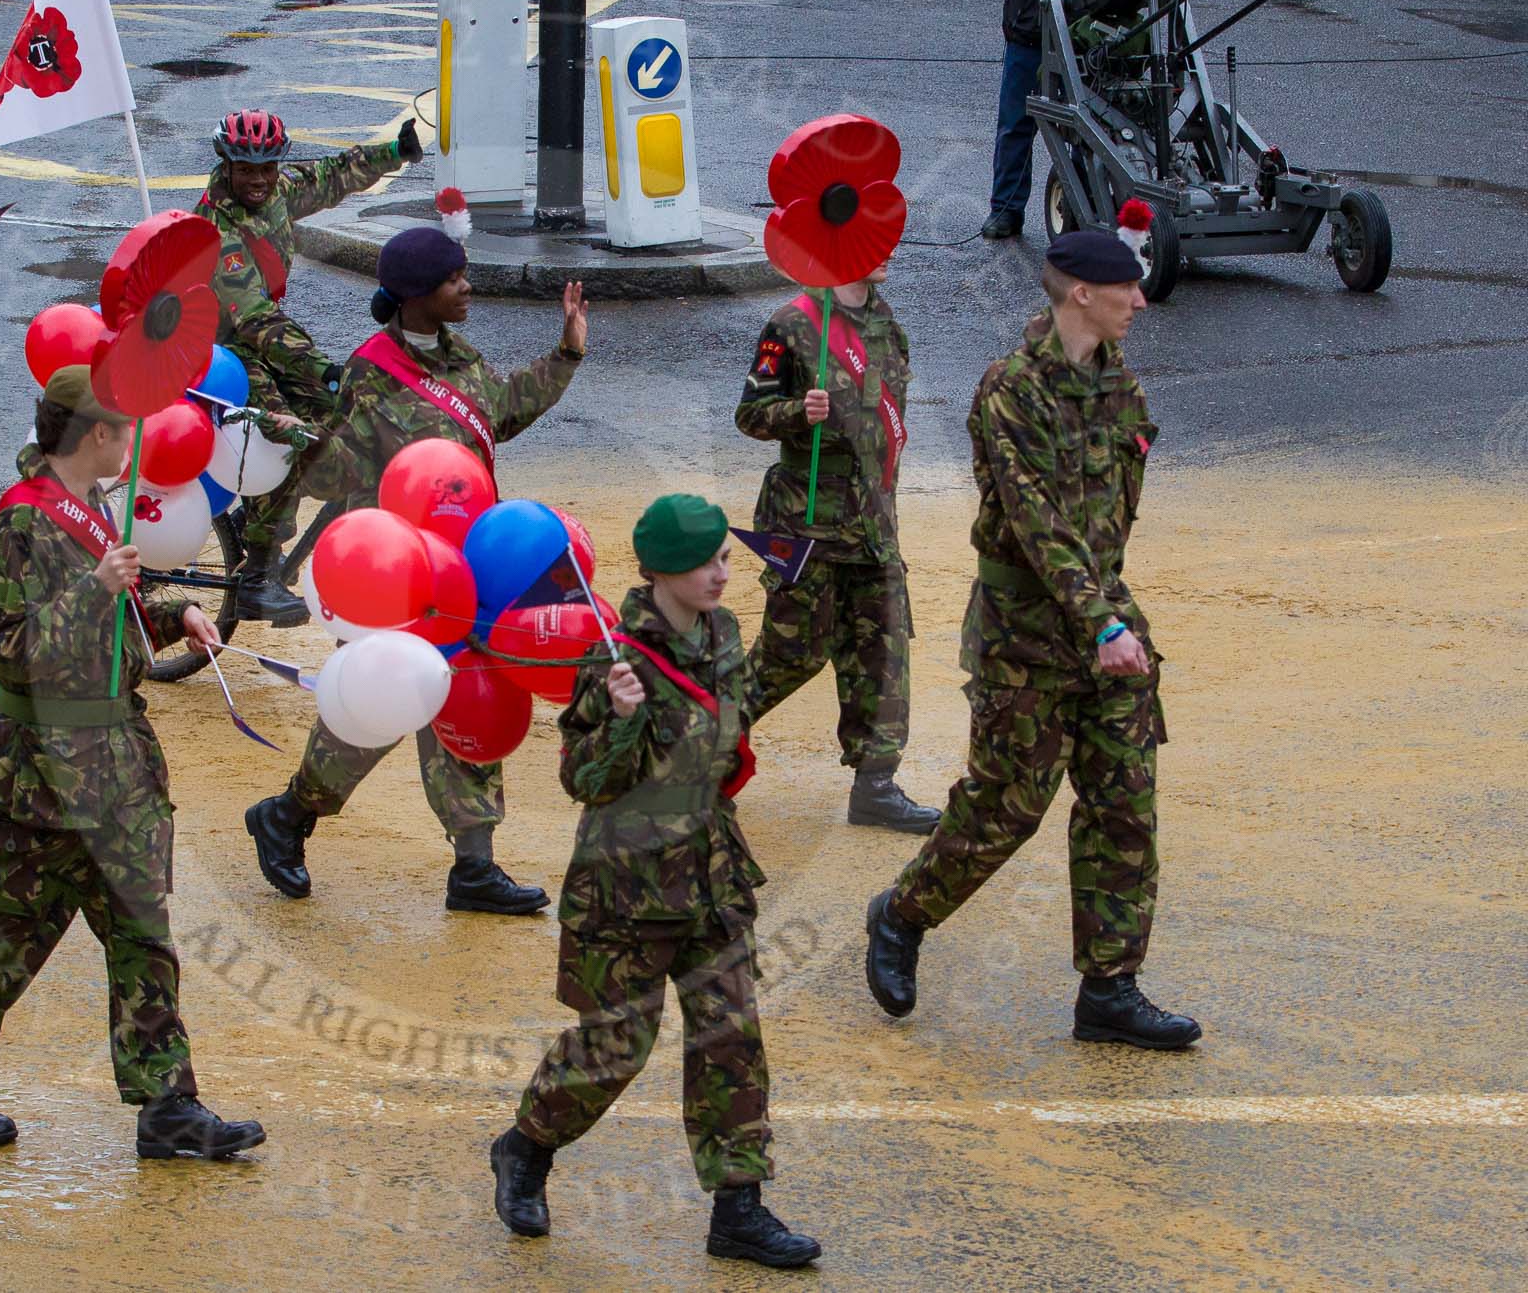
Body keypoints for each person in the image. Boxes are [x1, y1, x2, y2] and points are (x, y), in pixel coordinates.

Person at [0, 367, 265, 1158]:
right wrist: (96, 593)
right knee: (12, 927)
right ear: (94, 435)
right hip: (41, 769)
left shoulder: (92, 509)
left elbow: (122, 620)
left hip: (114, 764)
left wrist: (177, 614)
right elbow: (11, 652)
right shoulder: (21, 523)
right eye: (123, 429)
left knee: (144, 930)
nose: (134, 442)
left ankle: (169, 1103)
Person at [863, 231, 1201, 1050]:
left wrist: (1113, 621)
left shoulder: (1121, 385)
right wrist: (1103, 623)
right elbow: (1036, 521)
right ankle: (901, 914)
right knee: (1005, 807)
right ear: (1081, 293)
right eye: (1128, 288)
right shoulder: (1010, 391)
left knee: (1124, 804)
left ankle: (1110, 989)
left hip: (1106, 627)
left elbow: (1105, 527)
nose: (1142, 301)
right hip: (1029, 637)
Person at [490, 496, 820, 1269]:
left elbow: (731, 729)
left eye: (725, 558)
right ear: (658, 572)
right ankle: (525, 1146)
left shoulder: (723, 634)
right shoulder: (613, 658)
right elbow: (585, 779)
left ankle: (738, 1205)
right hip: (627, 886)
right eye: (705, 561)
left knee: (731, 1036)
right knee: (615, 1047)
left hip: (709, 868)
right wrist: (626, 718)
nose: (720, 572)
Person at [243, 226, 586, 916]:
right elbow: (333, 470)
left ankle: (474, 866)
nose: (468, 289)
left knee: (468, 701)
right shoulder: (371, 370)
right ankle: (287, 815)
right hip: (393, 575)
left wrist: (567, 353)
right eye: (456, 280)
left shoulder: (461, 356)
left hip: (465, 567)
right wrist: (289, 450)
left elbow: (504, 409)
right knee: (372, 713)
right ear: (418, 294)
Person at [734, 257, 940, 834]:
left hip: (872, 524)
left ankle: (875, 785)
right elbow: (749, 414)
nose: (892, 253)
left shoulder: (886, 324)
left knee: (883, 651)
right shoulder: (792, 325)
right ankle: (703, 747)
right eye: (875, 243)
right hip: (807, 524)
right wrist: (801, 411)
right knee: (790, 654)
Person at [196, 108, 426, 624]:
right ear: (226, 165)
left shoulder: (276, 192)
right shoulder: (215, 232)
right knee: (284, 437)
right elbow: (253, 318)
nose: (258, 180)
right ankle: (258, 574)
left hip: (269, 337)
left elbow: (331, 176)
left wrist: (395, 153)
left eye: (266, 168)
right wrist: (322, 367)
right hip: (226, 350)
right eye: (245, 170)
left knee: (350, 413)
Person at [983, 0, 1134, 239]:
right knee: (1015, 125)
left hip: (1087, 35)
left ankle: (1084, 207)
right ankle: (1006, 210)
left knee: (1089, 127)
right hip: (1029, 30)